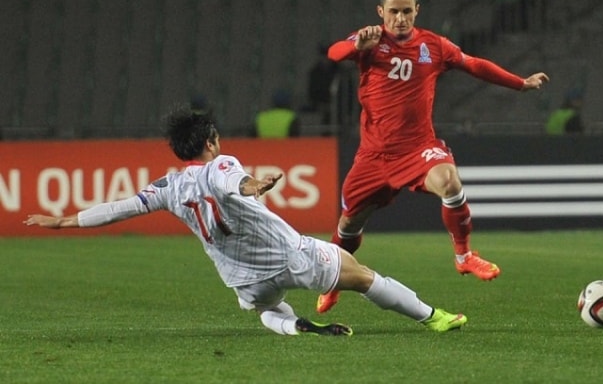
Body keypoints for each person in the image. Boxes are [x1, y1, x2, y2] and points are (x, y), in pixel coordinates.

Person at [23, 105, 467, 336]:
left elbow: (119, 207)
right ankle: (433, 317)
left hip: (242, 280)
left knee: (269, 309)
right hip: (291, 256)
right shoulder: (222, 165)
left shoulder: (166, 187)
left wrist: (64, 222)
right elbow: (235, 182)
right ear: (212, 141)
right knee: (364, 277)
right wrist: (257, 184)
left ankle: (294, 327)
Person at [316, 0, 550, 314]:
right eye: (394, 11)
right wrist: (357, 46)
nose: (400, 19)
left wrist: (520, 83)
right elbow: (334, 53)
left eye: (407, 11)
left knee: (449, 182)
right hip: (373, 156)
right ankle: (335, 281)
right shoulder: (371, 41)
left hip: (417, 148)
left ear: (417, 10)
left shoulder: (434, 46)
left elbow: (473, 64)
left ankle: (464, 256)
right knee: (348, 225)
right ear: (381, 11)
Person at [306, 43, 340, 129]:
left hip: (339, 110)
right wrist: (318, 105)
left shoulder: (340, 73)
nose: (325, 59)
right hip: (321, 107)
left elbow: (347, 93)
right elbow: (312, 92)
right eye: (323, 56)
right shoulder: (315, 73)